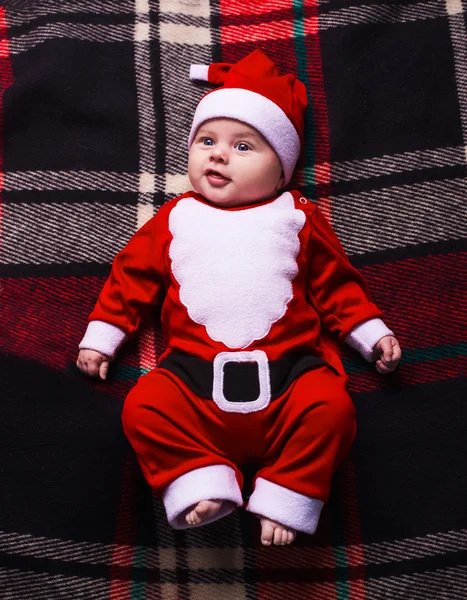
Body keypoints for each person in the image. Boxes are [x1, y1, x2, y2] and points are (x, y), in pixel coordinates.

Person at [77, 49, 401, 547]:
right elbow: (130, 278)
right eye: (206, 141)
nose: (217, 154)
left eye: (243, 146)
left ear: (281, 170)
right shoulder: (176, 217)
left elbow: (337, 285)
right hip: (191, 381)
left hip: (291, 377)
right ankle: (197, 479)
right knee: (142, 406)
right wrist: (103, 337)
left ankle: (290, 491)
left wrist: (371, 334)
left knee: (334, 411)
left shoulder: (296, 216)